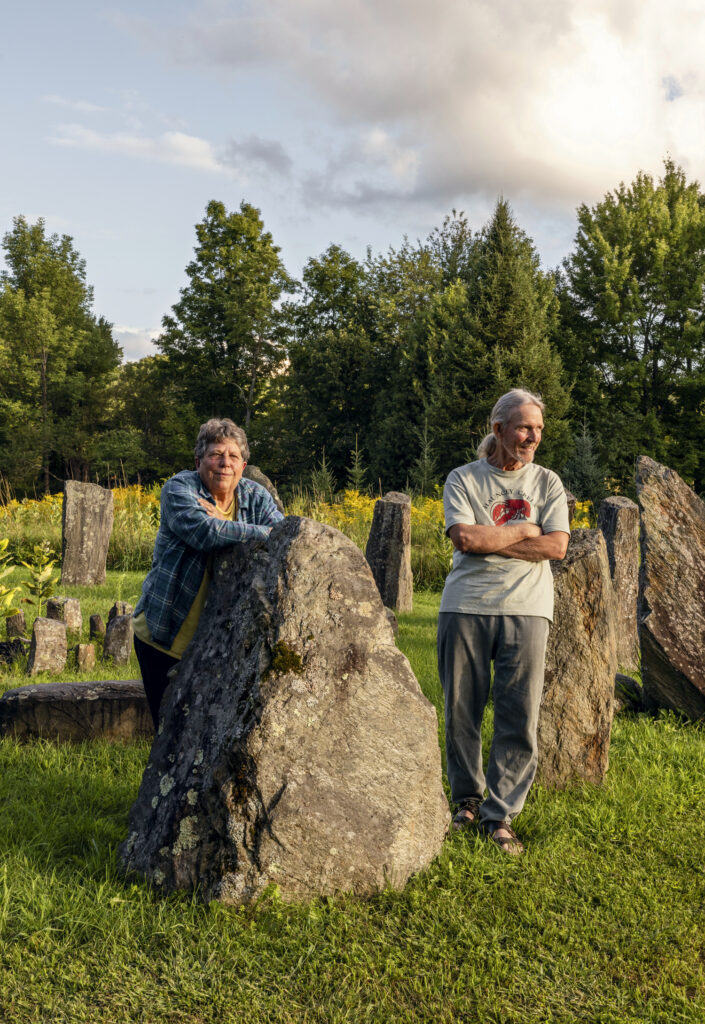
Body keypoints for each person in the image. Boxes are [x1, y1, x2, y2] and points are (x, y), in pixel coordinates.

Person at [437, 389, 570, 854]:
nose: (532, 437)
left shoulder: (547, 482)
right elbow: (465, 537)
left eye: (538, 429)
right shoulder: (463, 478)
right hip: (466, 605)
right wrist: (523, 530)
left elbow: (556, 547)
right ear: (497, 430)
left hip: (528, 608)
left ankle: (500, 815)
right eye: (523, 428)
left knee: (519, 715)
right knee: (461, 712)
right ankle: (466, 801)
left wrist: (488, 540)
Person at [133, 418, 284, 729]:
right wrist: (257, 531)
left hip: (220, 643)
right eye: (216, 454)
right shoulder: (179, 488)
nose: (224, 463)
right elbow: (205, 532)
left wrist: (234, 527)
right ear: (199, 460)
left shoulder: (254, 496)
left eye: (232, 456)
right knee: (169, 733)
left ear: (244, 464)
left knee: (210, 734)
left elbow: (284, 535)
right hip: (164, 637)